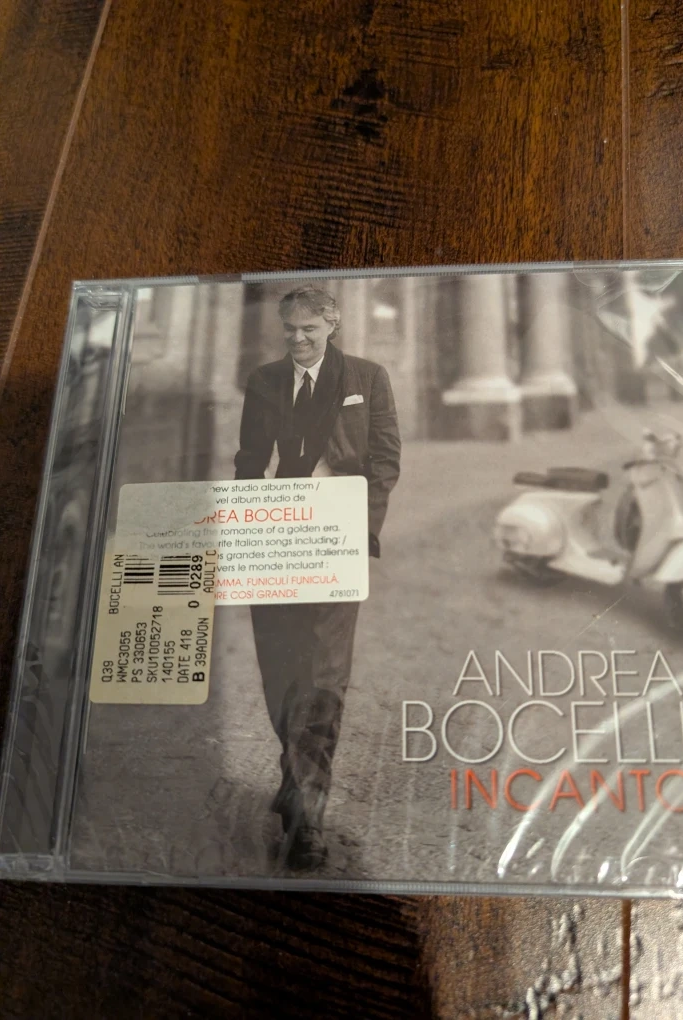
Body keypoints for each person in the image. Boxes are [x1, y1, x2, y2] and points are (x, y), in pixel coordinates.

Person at [235, 285, 401, 869]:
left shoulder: (367, 378)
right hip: (276, 533)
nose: (298, 338)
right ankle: (294, 774)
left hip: (336, 535)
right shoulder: (264, 381)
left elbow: (385, 460)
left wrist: (360, 529)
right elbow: (249, 461)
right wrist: (245, 526)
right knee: (279, 665)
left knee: (324, 672)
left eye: (309, 328)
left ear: (332, 326)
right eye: (290, 329)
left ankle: (308, 816)